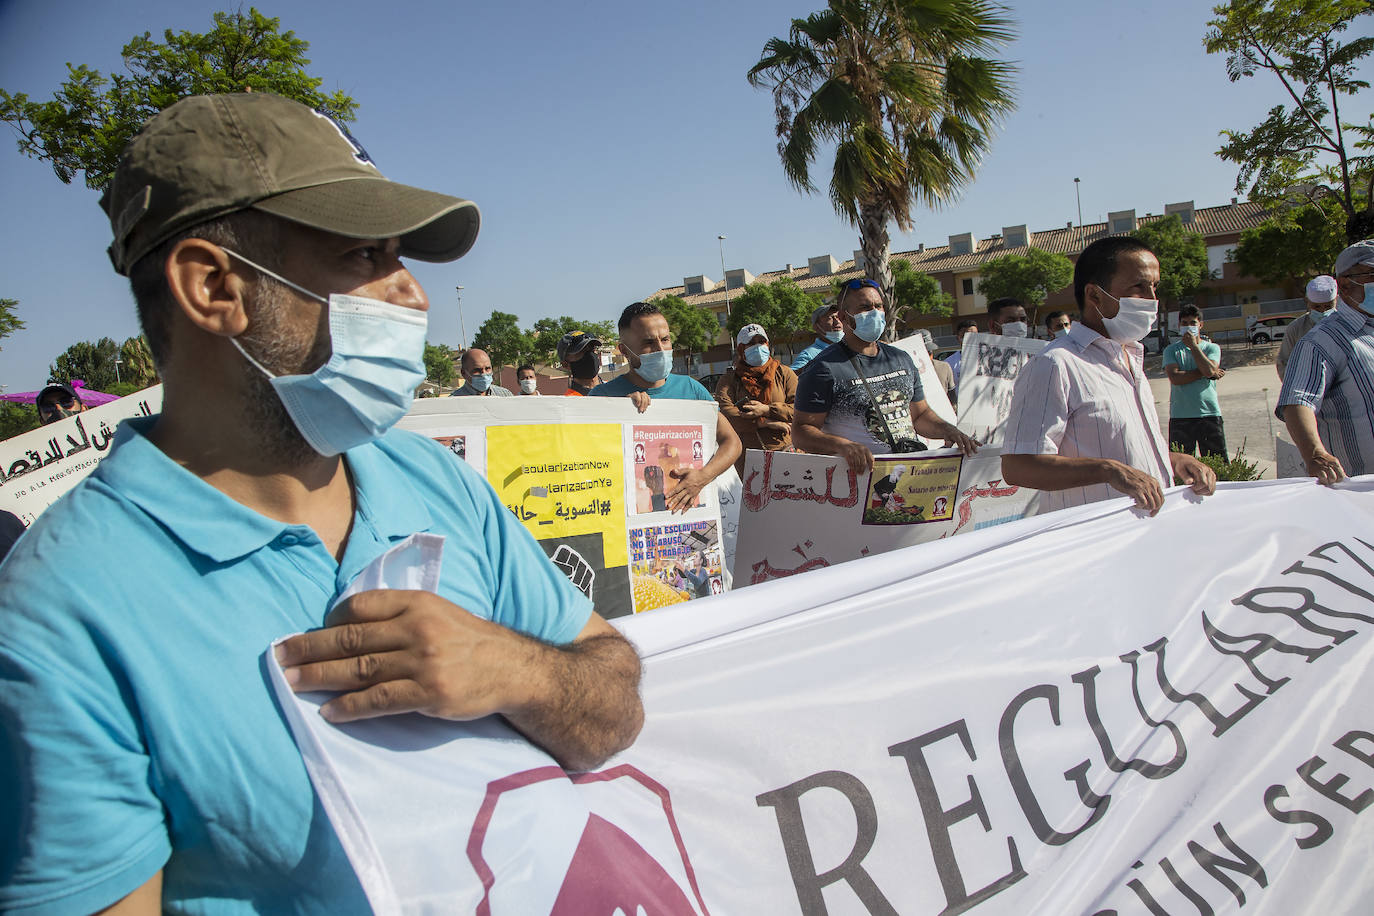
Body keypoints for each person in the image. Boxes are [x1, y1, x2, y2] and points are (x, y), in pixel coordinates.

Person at [0, 92, 643, 914]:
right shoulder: (58, 622)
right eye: (363, 255)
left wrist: (511, 668)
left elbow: (613, 706)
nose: (410, 293)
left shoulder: (431, 480)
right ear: (214, 287)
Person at [1001, 236, 1216, 515]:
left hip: (1145, 534)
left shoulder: (1130, 358)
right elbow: (1019, 467)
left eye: (1154, 287)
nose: (1152, 300)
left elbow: (1124, 447)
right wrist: (1106, 470)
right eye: (1138, 287)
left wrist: (1174, 461)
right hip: (1094, 543)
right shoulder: (1055, 364)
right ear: (1095, 296)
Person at [792, 278, 979, 475]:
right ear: (844, 317)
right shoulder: (822, 368)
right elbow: (801, 432)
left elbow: (920, 415)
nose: (874, 313)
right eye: (864, 307)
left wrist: (948, 430)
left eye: (878, 306)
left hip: (910, 475)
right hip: (861, 480)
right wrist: (843, 446)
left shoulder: (901, 359)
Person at [591, 301, 741, 511]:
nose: (660, 349)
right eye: (648, 343)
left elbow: (732, 442)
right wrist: (620, 413)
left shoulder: (691, 389)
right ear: (624, 350)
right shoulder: (601, 397)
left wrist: (702, 477)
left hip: (689, 518)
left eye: (665, 339)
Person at [1277, 240, 1374, 483]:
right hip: (1358, 493)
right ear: (1345, 284)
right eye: (1372, 275)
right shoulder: (1320, 342)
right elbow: (1297, 402)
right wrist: (1315, 454)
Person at [715, 322, 797, 472]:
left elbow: (799, 409)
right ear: (741, 349)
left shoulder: (785, 373)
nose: (758, 347)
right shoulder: (729, 380)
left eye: (761, 342)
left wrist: (767, 409)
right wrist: (763, 422)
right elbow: (725, 415)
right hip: (748, 459)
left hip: (784, 452)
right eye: (751, 343)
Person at [1163, 304, 1227, 458]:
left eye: (1193, 323)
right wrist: (1206, 372)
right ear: (1179, 326)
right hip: (1181, 416)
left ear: (1200, 325)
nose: (1188, 326)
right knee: (1181, 465)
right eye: (1184, 323)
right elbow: (1175, 378)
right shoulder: (1171, 351)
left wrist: (1194, 347)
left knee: (1217, 463)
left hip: (1209, 414)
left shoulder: (1212, 348)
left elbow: (1210, 370)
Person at [1276, 275, 1339, 379]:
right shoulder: (1296, 329)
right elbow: (1283, 363)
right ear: (1307, 302)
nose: (1322, 311)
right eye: (1317, 307)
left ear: (1336, 300)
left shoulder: (1345, 324)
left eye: (1328, 306)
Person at [791, 303, 843, 371]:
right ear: (817, 327)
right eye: (830, 318)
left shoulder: (852, 348)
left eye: (838, 317)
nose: (837, 321)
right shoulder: (808, 355)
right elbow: (792, 378)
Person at [915, 328, 957, 407]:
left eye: (929, 352)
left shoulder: (944, 367)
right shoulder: (908, 372)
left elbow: (952, 396)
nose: (927, 356)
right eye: (922, 352)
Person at [557, 329, 602, 395]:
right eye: (581, 352)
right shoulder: (570, 401)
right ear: (565, 365)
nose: (590, 355)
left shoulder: (614, 388)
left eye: (592, 349)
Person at [946, 318, 978, 387]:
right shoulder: (949, 363)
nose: (970, 339)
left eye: (973, 335)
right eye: (965, 336)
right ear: (958, 338)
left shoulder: (989, 359)